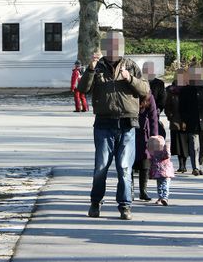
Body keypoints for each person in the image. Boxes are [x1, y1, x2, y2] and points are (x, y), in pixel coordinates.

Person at [78, 30, 150, 220]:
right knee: (101, 166)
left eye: (116, 45)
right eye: (109, 45)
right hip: (103, 124)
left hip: (127, 124)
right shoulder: (97, 66)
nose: (112, 48)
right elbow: (82, 89)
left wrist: (130, 79)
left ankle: (125, 206)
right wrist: (91, 69)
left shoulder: (131, 66)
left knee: (124, 167)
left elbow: (145, 90)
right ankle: (95, 202)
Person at [133, 92, 159, 201]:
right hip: (129, 130)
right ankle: (129, 191)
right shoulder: (127, 91)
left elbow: (153, 117)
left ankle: (143, 190)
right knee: (128, 162)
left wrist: (154, 136)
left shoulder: (149, 96)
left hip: (144, 133)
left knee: (145, 161)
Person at [165, 68, 189, 173]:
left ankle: (185, 163)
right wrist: (170, 115)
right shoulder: (171, 90)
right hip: (175, 120)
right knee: (178, 145)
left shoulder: (189, 90)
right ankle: (181, 165)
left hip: (187, 122)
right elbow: (167, 105)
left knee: (186, 144)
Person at [147, 135, 175, 206]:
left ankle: (161, 197)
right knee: (165, 185)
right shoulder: (163, 152)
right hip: (166, 172)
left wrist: (150, 173)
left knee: (160, 186)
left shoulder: (153, 154)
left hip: (158, 173)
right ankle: (164, 197)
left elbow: (150, 163)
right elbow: (168, 155)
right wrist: (167, 147)